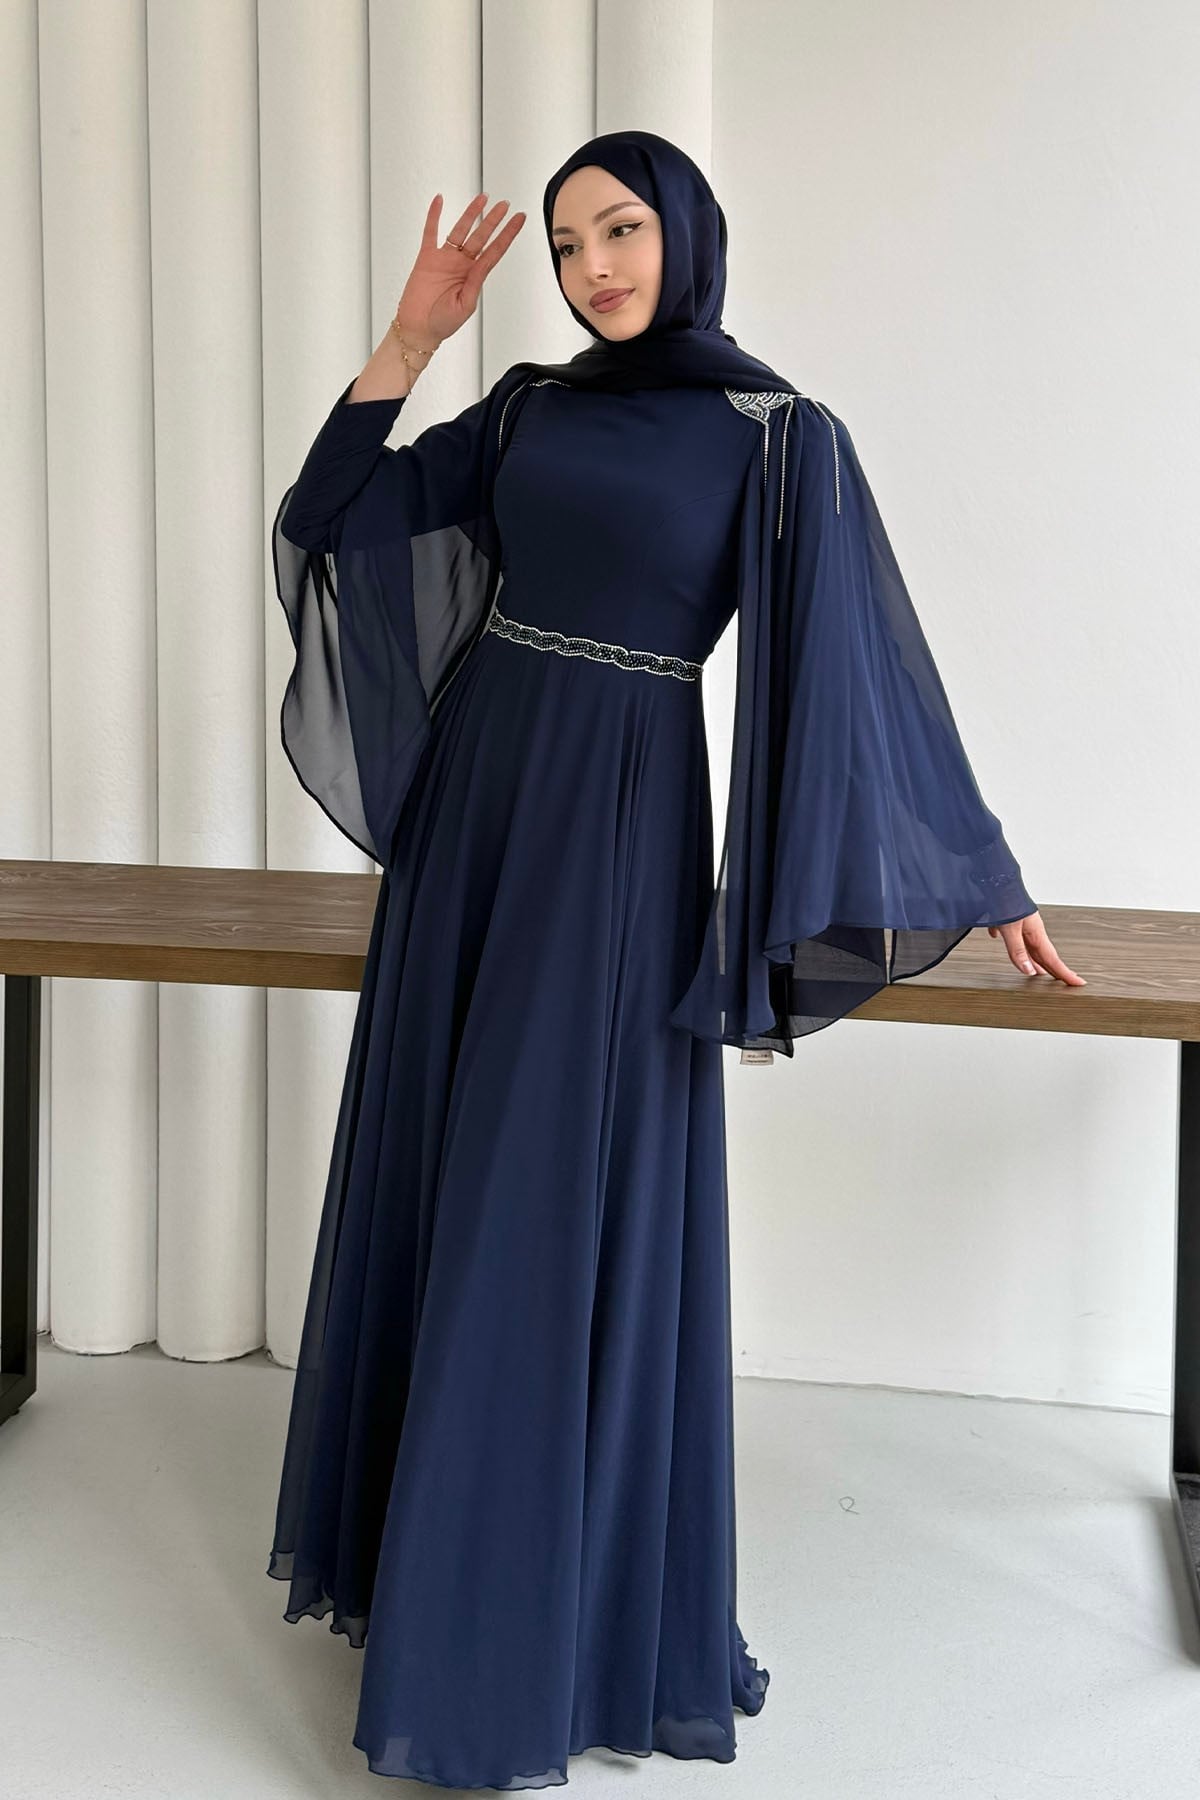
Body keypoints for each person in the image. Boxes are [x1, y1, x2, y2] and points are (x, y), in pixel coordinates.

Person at [266, 130, 1084, 1791]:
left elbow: (871, 674)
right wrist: (411, 341)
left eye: (621, 230)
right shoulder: (527, 411)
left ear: (688, 234)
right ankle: (425, 1576)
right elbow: (324, 518)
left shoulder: (778, 440)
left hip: (622, 838)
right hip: (474, 820)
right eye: (570, 247)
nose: (594, 270)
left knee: (545, 1192)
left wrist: (984, 869)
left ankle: (510, 1646)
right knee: (452, 1166)